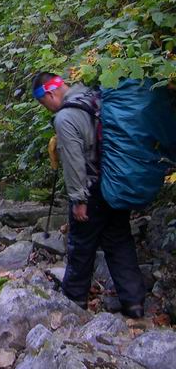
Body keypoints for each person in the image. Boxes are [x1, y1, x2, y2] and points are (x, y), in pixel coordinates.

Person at [31, 72, 145, 317]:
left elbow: (74, 163)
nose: (47, 109)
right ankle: (134, 303)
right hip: (116, 182)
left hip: (91, 190)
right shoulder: (95, 97)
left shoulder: (65, 117)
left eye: (44, 103)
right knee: (120, 241)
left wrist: (78, 200)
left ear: (50, 93)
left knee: (81, 245)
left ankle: (74, 301)